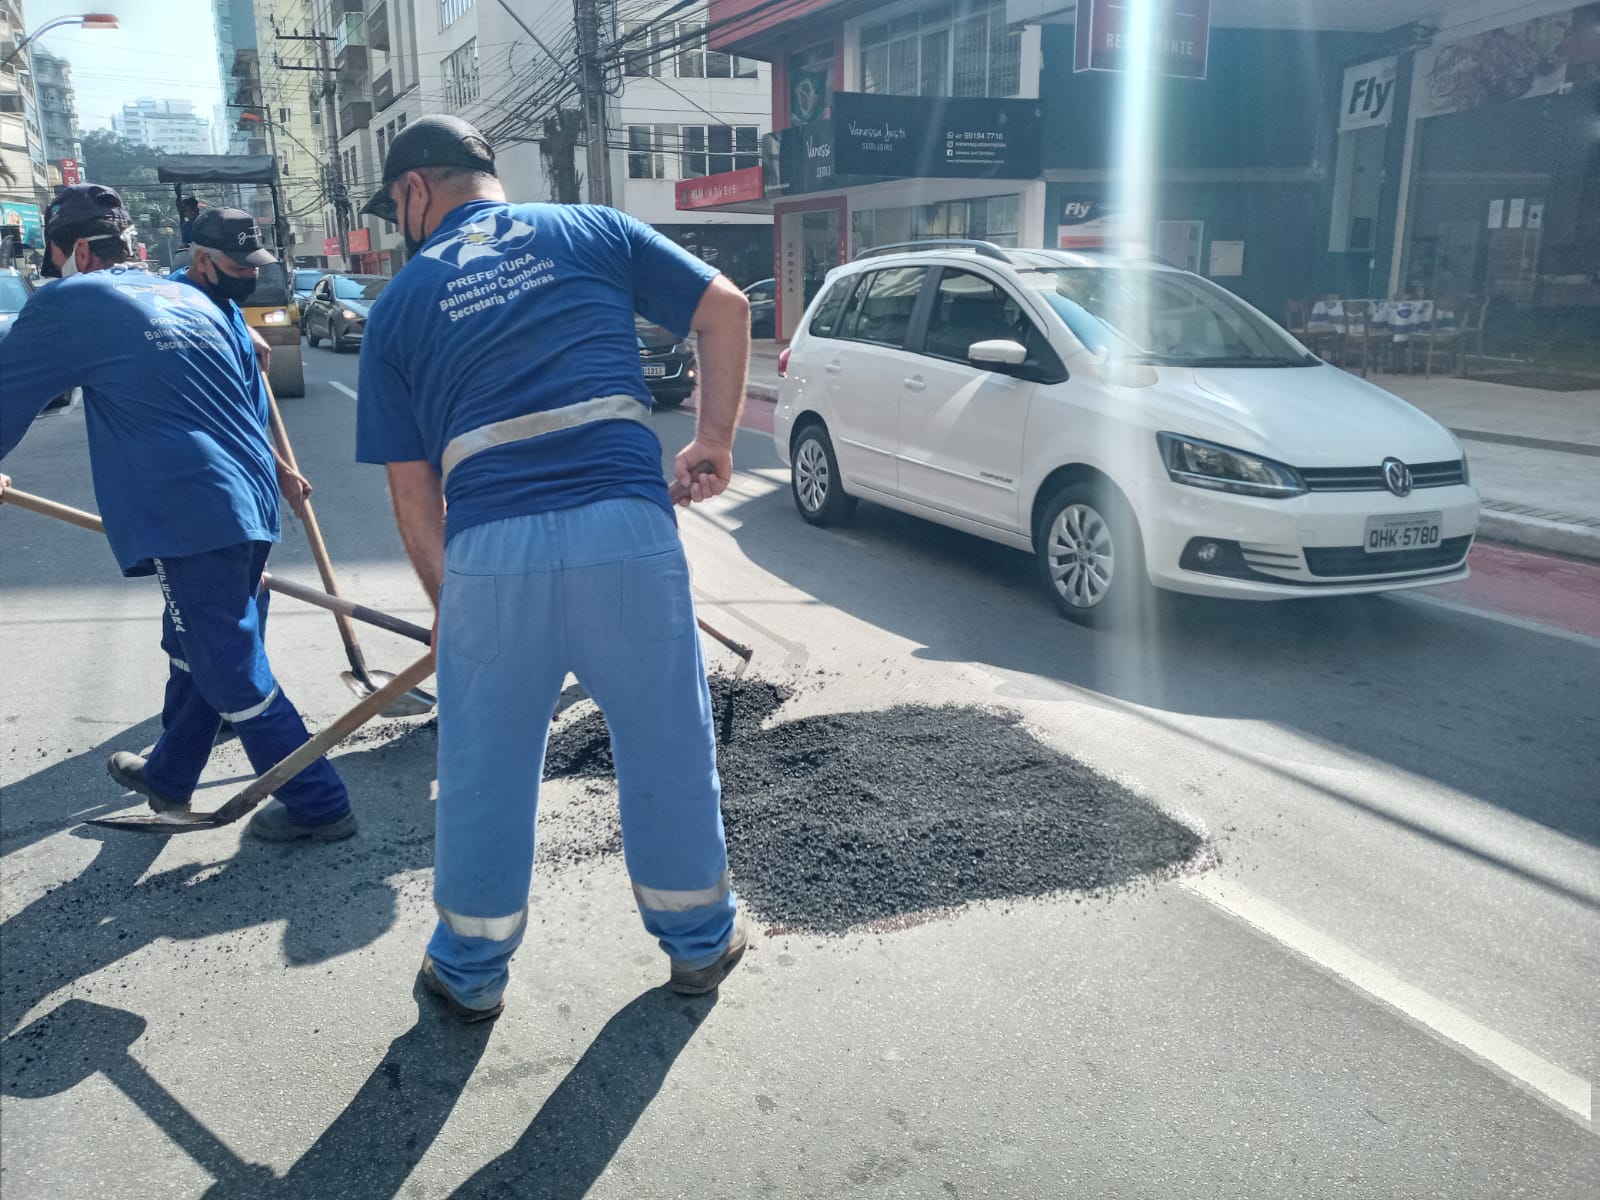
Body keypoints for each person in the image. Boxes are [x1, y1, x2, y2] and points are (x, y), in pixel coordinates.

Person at [355, 116, 752, 1021]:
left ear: (417, 190)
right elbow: (725, 309)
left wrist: (451, 605)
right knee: (668, 747)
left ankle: (469, 971)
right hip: (627, 532)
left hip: (492, 552)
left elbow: (415, 496)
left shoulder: (402, 305)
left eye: (395, 207)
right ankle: (698, 943)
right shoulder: (592, 228)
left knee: (484, 771)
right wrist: (716, 441)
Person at [0, 184, 355, 843]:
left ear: (75, 250)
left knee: (226, 659)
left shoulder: (71, 299)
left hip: (192, 512)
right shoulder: (195, 298)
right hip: (249, 501)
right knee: (193, 638)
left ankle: (318, 801)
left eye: (55, 258)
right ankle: (169, 772)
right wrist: (279, 468)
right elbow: (253, 382)